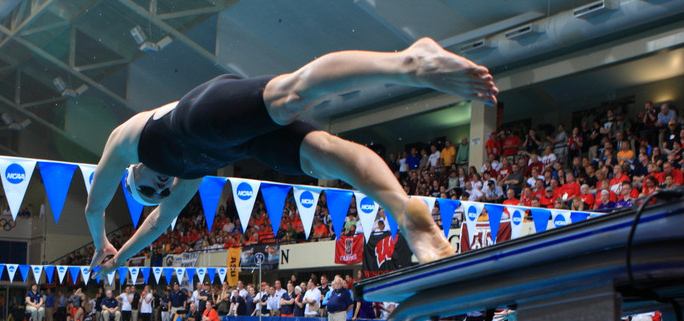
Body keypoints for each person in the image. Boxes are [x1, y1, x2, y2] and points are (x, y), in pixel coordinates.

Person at [85, 38, 497, 273]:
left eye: (146, 184)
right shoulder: (186, 178)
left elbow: (94, 204)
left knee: (290, 96)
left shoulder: (128, 140)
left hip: (197, 116)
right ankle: (407, 215)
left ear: (132, 171)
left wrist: (100, 240)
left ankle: (409, 61)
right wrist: (121, 257)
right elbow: (159, 223)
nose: (159, 185)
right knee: (324, 157)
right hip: (240, 143)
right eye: (158, 190)